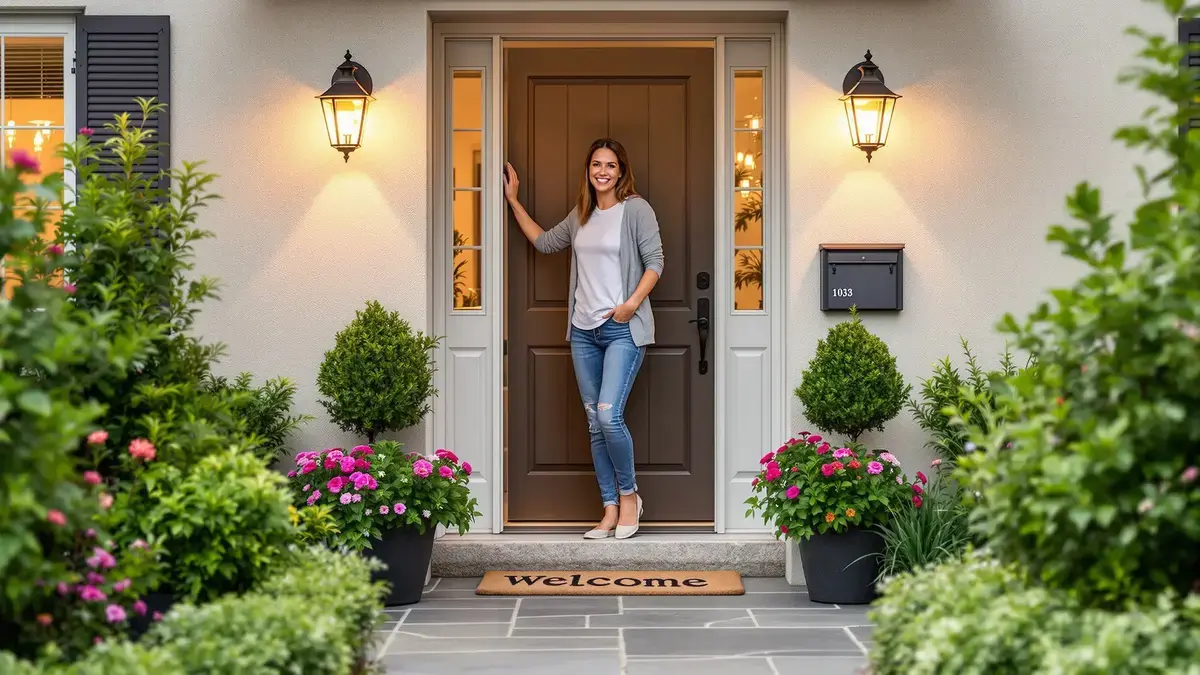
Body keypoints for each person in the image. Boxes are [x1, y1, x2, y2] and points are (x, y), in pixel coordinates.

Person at [503, 138, 663, 540]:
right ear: (588, 170)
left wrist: (629, 305)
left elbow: (655, 263)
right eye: (596, 165)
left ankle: (630, 497)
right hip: (583, 333)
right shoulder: (582, 214)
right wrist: (513, 200)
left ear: (621, 171)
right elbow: (544, 242)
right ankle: (608, 509)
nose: (603, 171)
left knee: (609, 415)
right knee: (594, 422)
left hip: (623, 329)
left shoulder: (636, 210)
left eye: (610, 165)